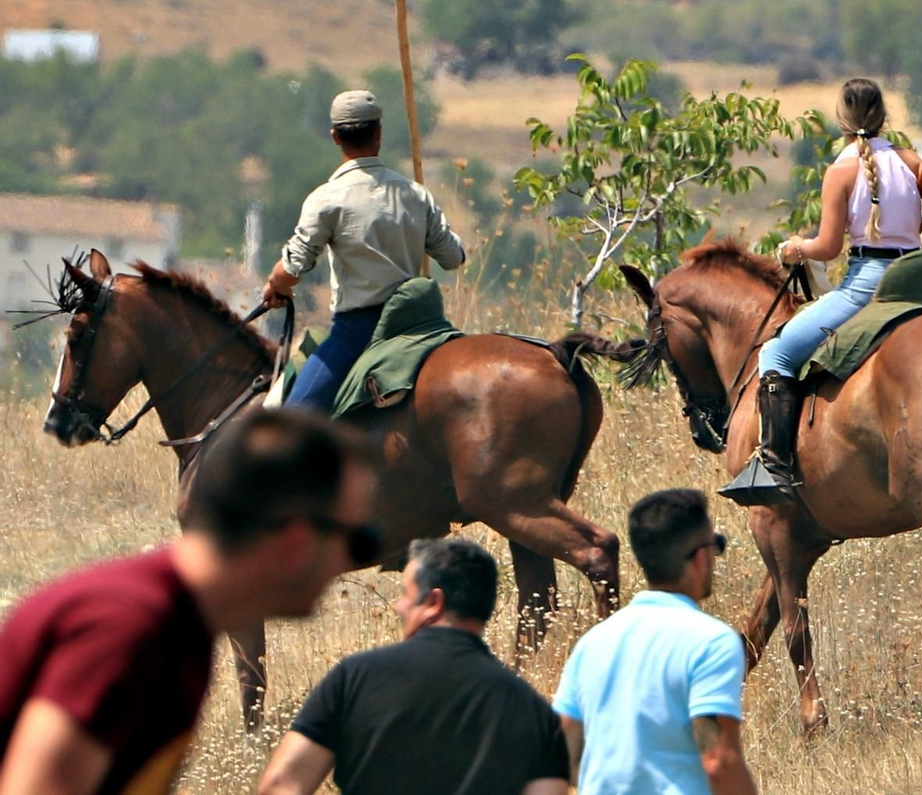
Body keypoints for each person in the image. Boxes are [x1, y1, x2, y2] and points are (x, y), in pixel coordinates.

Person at [0, 409, 378, 795]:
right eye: (357, 542)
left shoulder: (183, 631)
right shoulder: (128, 628)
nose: (351, 562)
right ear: (297, 542)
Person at [723, 77, 922, 505]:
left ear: (841, 120)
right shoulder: (910, 160)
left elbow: (827, 248)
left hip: (869, 283)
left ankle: (773, 465)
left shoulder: (842, 170)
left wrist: (796, 248)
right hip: (921, 277)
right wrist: (908, 230)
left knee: (775, 353)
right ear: (884, 117)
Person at [257, 536, 569, 795]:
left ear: (433, 602)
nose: (398, 606)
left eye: (405, 594)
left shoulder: (354, 680)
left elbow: (281, 785)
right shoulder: (533, 711)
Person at [263, 89, 466, 414]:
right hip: (424, 326)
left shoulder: (327, 200)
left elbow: (292, 270)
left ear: (335, 138)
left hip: (358, 332)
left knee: (288, 425)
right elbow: (454, 258)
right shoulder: (416, 195)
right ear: (379, 133)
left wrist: (275, 284)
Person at [553, 489, 755, 795]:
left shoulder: (592, 643)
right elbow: (718, 761)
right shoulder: (711, 643)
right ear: (700, 558)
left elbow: (563, 753)